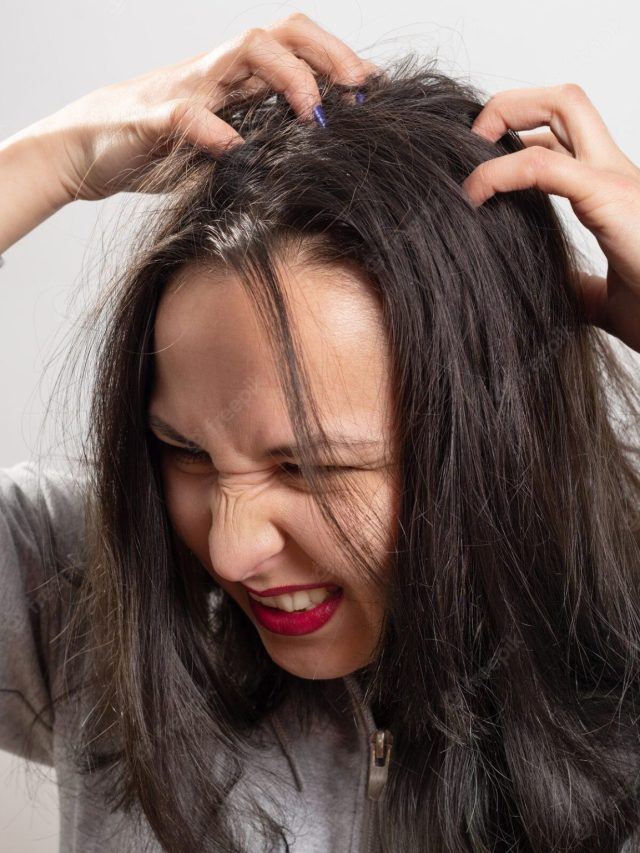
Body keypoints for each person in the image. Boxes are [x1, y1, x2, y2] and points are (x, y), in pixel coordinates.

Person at [1, 11, 640, 852]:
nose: (230, 552)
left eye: (309, 466)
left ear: (495, 439)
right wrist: (54, 159)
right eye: (185, 450)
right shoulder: (90, 582)